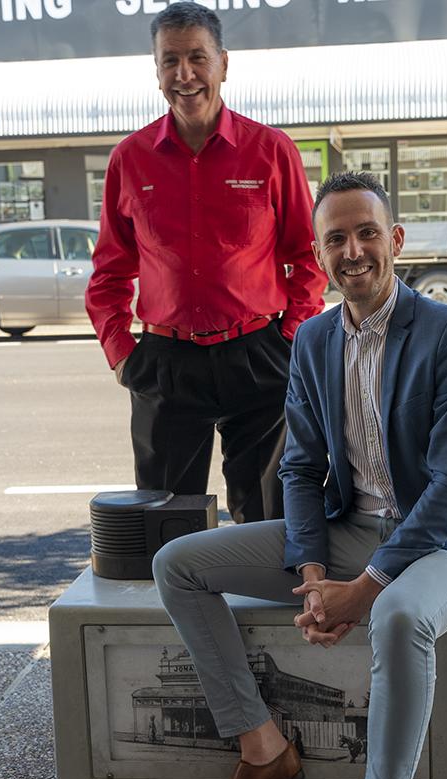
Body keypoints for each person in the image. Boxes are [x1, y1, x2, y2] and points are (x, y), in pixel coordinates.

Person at [152, 172, 447, 779]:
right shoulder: (313, 339)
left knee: (401, 614)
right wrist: (312, 578)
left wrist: (363, 588)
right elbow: (300, 468)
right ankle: (265, 748)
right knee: (178, 564)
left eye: (367, 234)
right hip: (351, 526)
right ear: (320, 252)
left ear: (397, 240)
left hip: (446, 544)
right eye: (337, 239)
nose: (353, 251)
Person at [85, 3, 325, 522]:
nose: (185, 74)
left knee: (267, 518)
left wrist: (292, 338)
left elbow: (308, 256)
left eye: (197, 57)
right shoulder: (131, 159)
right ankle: (183, 606)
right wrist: (122, 352)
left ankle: (264, 605)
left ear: (223, 64)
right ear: (156, 71)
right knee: (166, 523)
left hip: (259, 356)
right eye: (170, 60)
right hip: (166, 364)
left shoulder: (271, 150)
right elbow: (108, 273)